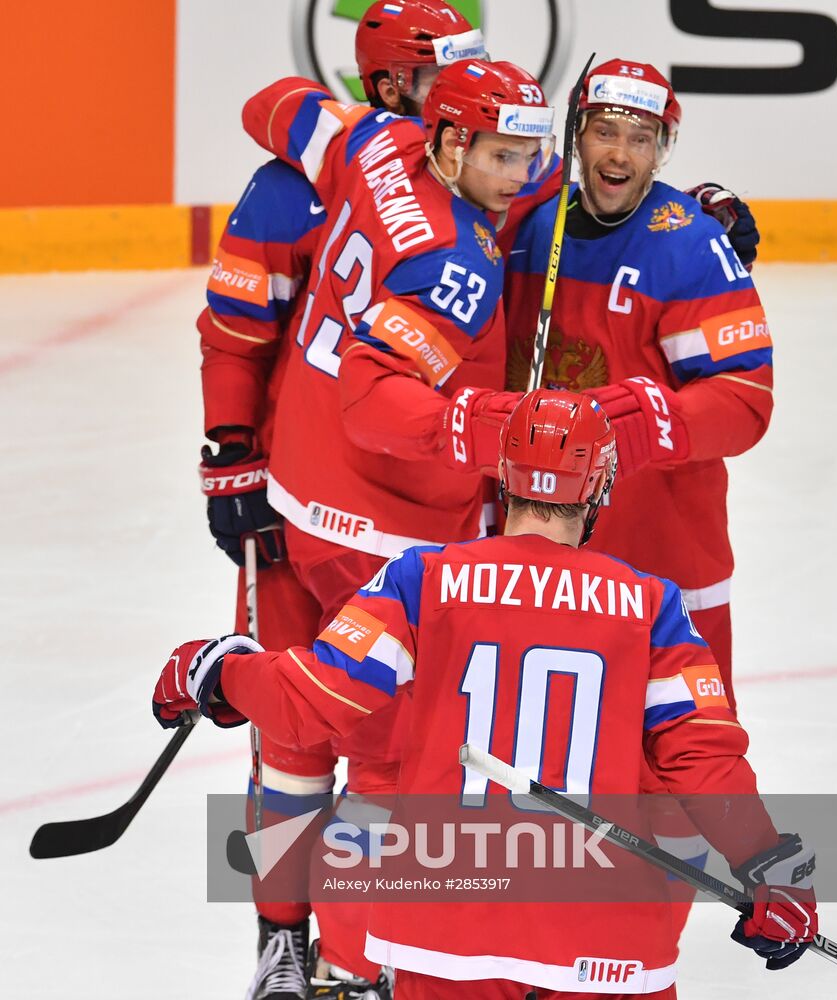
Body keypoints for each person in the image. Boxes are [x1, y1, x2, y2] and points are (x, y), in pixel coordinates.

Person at [154, 390, 817, 999]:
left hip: (445, 931)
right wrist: (767, 867)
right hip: (603, 937)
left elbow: (311, 701)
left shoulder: (422, 581)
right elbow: (703, 759)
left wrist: (215, 668)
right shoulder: (649, 605)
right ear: (600, 487)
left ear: (504, 480)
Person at [196, 5, 486, 996]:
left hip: (389, 516)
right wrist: (229, 452)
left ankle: (368, 947)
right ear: (392, 84)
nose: (464, 83)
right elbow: (235, 330)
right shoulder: (296, 188)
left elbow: (272, 101)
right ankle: (287, 935)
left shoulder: (436, 168)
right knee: (301, 735)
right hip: (300, 507)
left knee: (381, 741)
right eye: (443, 69)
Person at [504, 59, 773, 707]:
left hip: (664, 550)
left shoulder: (687, 246)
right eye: (603, 130)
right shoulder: (529, 226)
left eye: (640, 137)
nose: (619, 152)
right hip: (536, 547)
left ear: (661, 151)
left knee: (686, 754)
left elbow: (744, 402)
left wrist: (626, 421)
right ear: (575, 138)